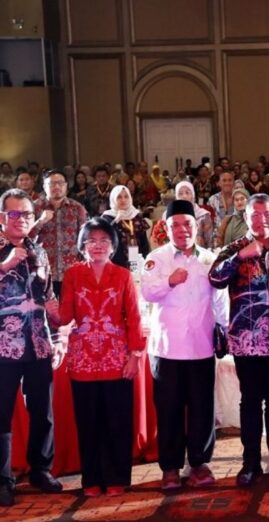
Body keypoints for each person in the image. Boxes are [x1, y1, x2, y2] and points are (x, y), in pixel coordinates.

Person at [209, 194, 269, 487]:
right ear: (246, 217)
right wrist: (240, 257)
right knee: (250, 401)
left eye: (267, 215)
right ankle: (250, 462)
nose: (261, 220)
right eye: (255, 214)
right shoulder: (234, 248)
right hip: (246, 339)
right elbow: (214, 279)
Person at [142, 200, 229, 490]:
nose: (182, 230)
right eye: (175, 225)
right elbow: (147, 292)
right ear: (166, 228)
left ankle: (200, 463)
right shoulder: (156, 258)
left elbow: (219, 299)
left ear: (196, 227)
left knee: (203, 407)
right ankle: (170, 467)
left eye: (187, 224)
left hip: (201, 345)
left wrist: (224, 329)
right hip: (166, 348)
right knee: (168, 409)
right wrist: (169, 281)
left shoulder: (209, 259)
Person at [59, 217, 145, 496]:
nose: (97, 246)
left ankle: (117, 477)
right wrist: (48, 305)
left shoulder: (122, 275)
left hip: (116, 357)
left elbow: (133, 317)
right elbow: (65, 315)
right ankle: (92, 479)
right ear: (82, 246)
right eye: (91, 241)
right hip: (82, 357)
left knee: (117, 421)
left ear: (113, 245)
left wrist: (134, 356)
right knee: (88, 422)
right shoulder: (72, 274)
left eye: (104, 241)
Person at [0, 189, 62, 506]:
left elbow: (49, 297)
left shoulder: (39, 251)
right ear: (1, 218)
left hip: (37, 344)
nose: (21, 220)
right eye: (15, 214)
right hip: (3, 348)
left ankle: (41, 468)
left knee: (42, 411)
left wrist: (59, 333)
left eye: (26, 214)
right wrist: (5, 265)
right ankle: (3, 480)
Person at [31, 170, 88, 296]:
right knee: (46, 313)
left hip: (71, 272)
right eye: (52, 183)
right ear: (44, 186)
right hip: (42, 272)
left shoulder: (77, 208)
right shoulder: (34, 208)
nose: (57, 186)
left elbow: (85, 240)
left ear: (66, 186)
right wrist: (40, 222)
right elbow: (26, 239)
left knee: (70, 313)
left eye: (60, 183)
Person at [103, 185, 151, 270]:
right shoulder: (107, 217)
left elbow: (144, 241)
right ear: (113, 199)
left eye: (126, 196)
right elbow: (105, 237)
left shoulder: (136, 215)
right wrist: (116, 221)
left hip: (137, 259)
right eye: (119, 197)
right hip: (116, 262)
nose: (123, 200)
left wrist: (146, 258)